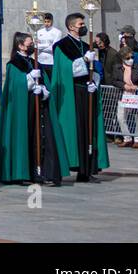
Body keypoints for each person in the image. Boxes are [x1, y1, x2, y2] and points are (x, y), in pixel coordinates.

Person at [0, 32, 63, 186]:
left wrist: (43, 90)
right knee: (26, 136)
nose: (33, 46)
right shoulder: (14, 63)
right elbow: (15, 86)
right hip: (24, 108)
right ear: (20, 45)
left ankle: (42, 171)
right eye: (30, 43)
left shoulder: (33, 61)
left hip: (39, 105)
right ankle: (24, 171)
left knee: (43, 137)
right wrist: (30, 78)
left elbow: (44, 82)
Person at [50, 12, 109, 182]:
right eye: (80, 24)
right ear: (71, 26)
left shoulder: (86, 45)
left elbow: (95, 69)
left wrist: (94, 82)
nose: (83, 27)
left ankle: (87, 169)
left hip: (87, 91)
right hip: (73, 92)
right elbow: (65, 69)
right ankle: (70, 165)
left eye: (83, 24)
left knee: (89, 129)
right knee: (76, 129)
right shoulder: (61, 46)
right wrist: (83, 60)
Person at [35, 12, 61, 79]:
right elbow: (36, 46)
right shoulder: (39, 32)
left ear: (52, 21)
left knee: (51, 79)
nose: (46, 24)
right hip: (40, 60)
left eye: (48, 22)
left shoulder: (57, 32)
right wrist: (47, 45)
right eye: (45, 22)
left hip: (51, 61)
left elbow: (53, 48)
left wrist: (41, 46)